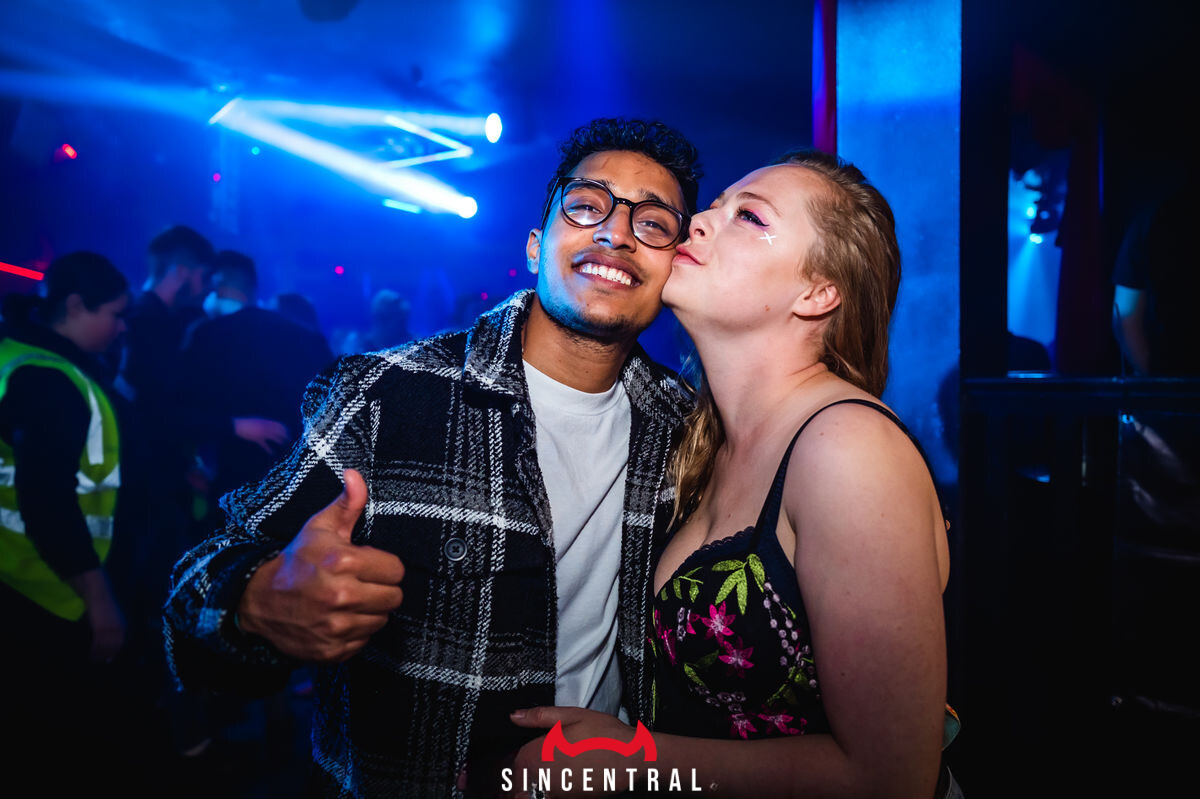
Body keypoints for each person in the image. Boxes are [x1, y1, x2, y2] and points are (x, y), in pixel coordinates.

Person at [163, 117, 702, 797]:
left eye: (652, 223)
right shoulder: (385, 394)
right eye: (587, 206)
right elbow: (201, 578)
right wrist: (256, 600)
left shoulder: (687, 426)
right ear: (536, 244)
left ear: (674, 267)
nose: (616, 232)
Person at [510, 150, 959, 798]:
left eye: (749, 217)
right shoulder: (697, 438)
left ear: (817, 293)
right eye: (715, 206)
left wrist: (633, 764)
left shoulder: (846, 449)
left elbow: (893, 778)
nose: (696, 222)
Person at [0, 251, 131, 792]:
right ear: (75, 306)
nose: (120, 328)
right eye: (114, 314)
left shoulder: (15, 353)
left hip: (19, 575)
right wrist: (98, 597)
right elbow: (47, 499)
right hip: (50, 591)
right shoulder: (51, 379)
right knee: (57, 750)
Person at [178, 249, 335, 516]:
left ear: (217, 284)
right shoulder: (307, 339)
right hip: (300, 491)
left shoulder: (206, 336)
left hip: (231, 488)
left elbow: (180, 411)